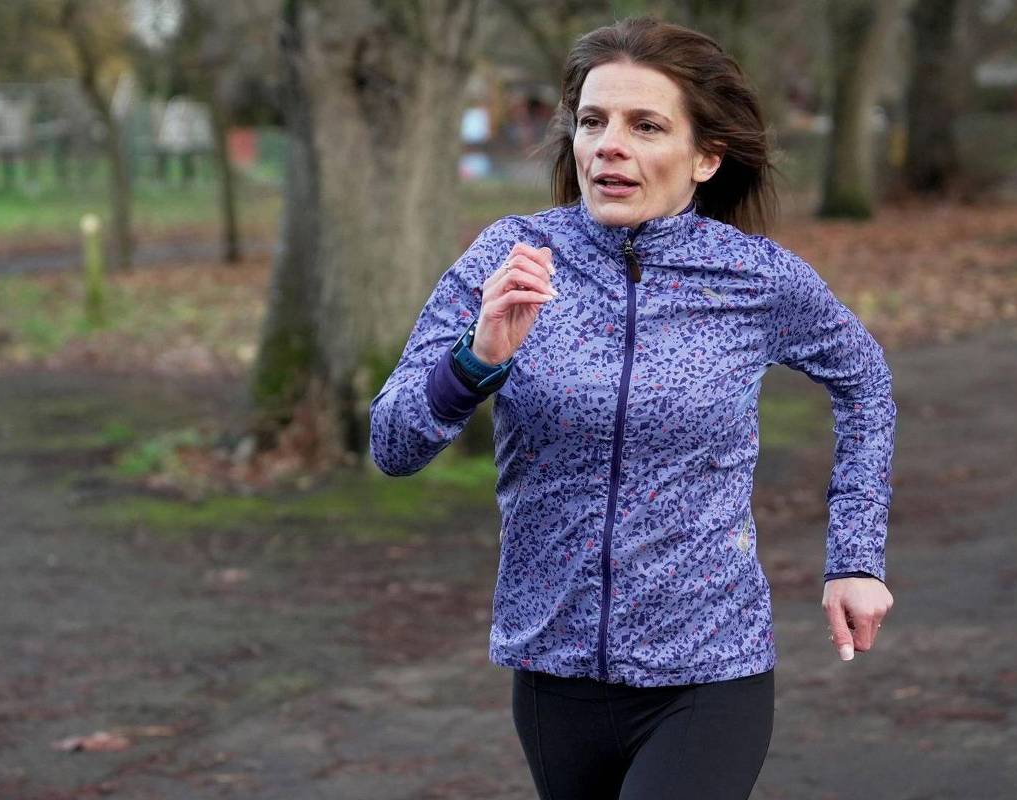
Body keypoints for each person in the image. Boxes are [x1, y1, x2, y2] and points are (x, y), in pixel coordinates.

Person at [369, 16, 896, 800]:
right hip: (553, 670)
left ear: (706, 157)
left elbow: (866, 383)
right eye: (593, 121)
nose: (608, 146)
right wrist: (476, 361)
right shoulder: (511, 259)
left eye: (645, 126)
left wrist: (855, 555)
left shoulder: (757, 280)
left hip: (709, 667)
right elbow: (392, 445)